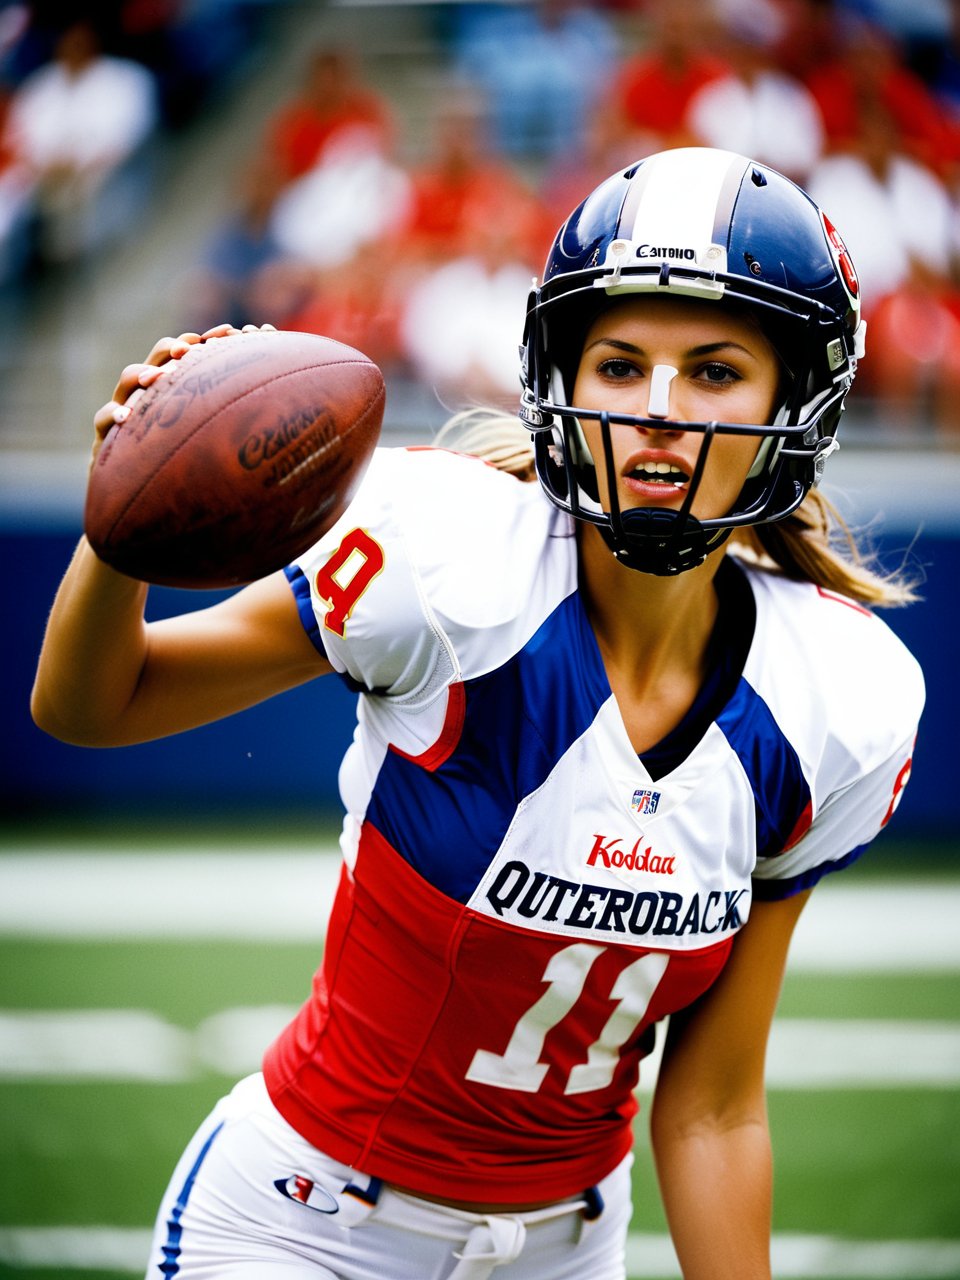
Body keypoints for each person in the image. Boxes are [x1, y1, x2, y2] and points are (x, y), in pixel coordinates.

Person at [31, 147, 924, 1280]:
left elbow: (712, 1109)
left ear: (797, 399)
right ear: (560, 376)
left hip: (566, 1248)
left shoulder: (838, 697)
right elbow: (89, 702)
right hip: (301, 1225)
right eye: (618, 362)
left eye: (712, 370)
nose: (657, 408)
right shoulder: (447, 562)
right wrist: (122, 528)